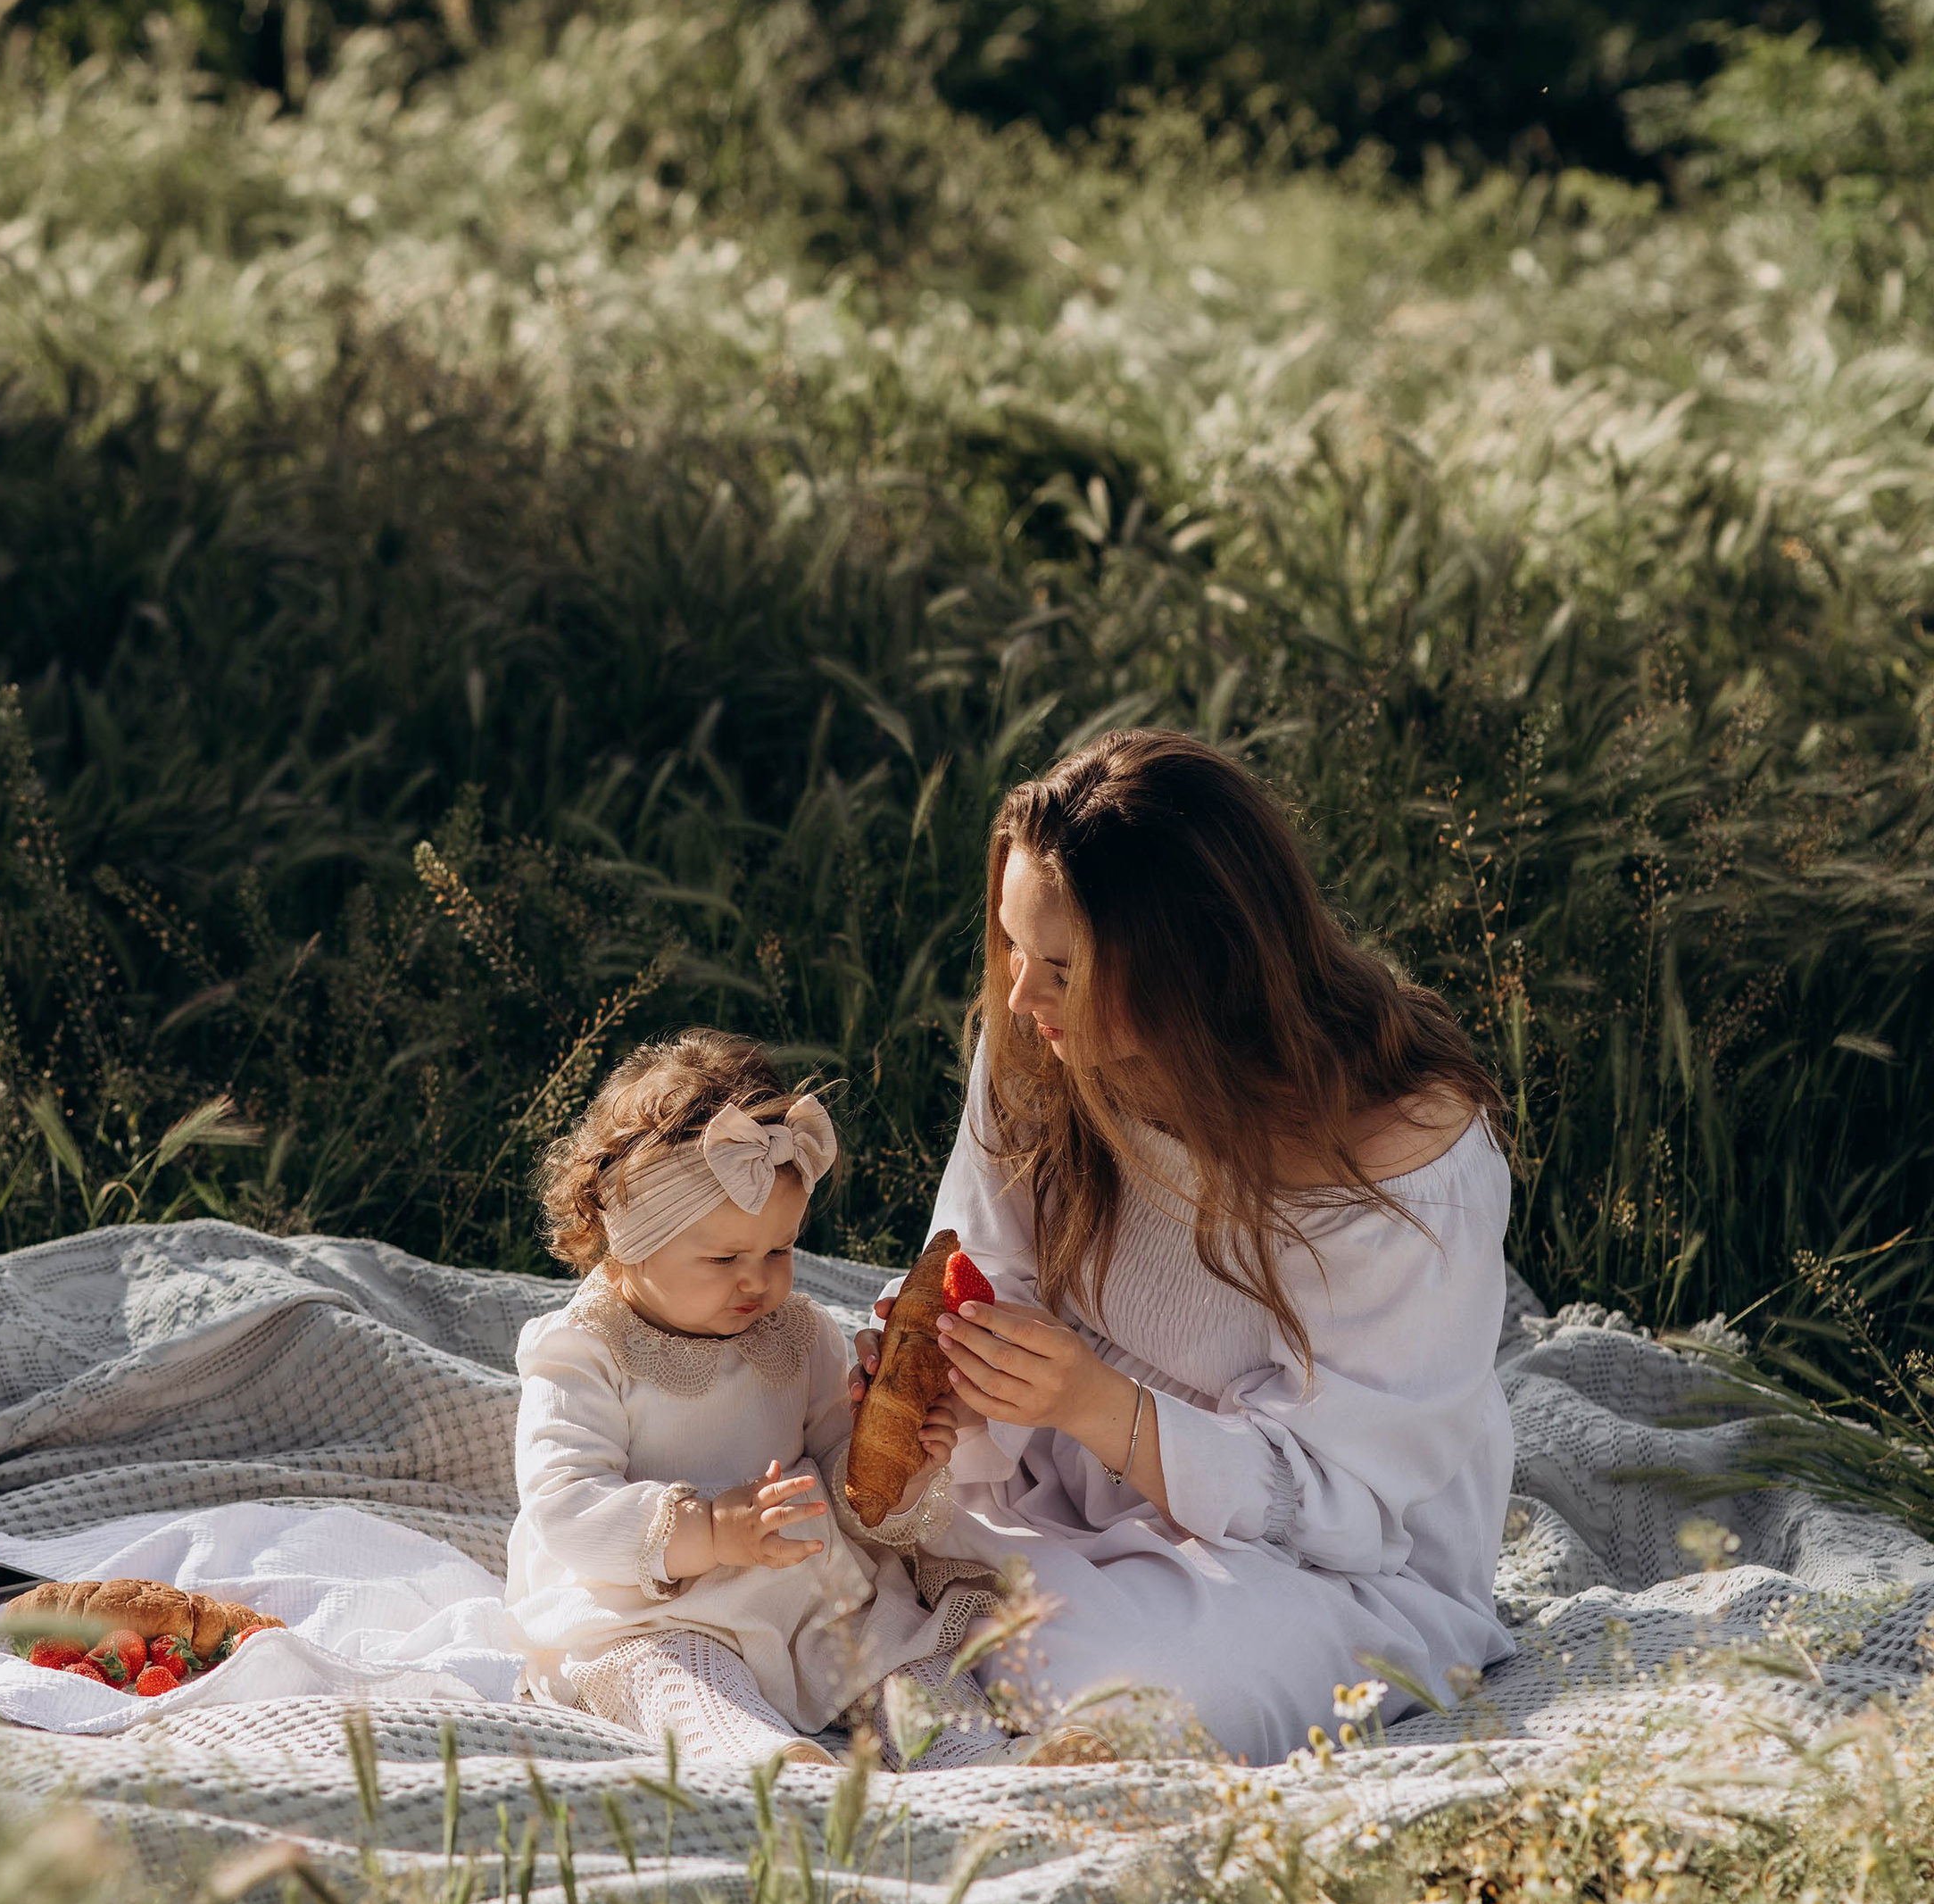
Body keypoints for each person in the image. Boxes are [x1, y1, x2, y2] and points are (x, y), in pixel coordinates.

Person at [858, 730, 1517, 1765]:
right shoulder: (1044, 1037)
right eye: (1012, 948)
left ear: (1189, 966)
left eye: (1062, 970)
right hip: (1052, 1475)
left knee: (1153, 1691)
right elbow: (992, 1264)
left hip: (1320, 1562)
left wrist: (1094, 1402)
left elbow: (1345, 1502)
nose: (1021, 1001)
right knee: (782, 1458)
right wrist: (946, 1375)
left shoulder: (1400, 1159)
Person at [508, 1032, 1004, 1772]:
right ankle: (776, 1766)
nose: (759, 1282)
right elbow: (565, 1505)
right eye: (723, 1259)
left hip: (803, 1593)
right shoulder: (583, 1349)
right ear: (629, 1242)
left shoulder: (798, 1335)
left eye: (779, 1249)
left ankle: (982, 1762)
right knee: (684, 1683)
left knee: (907, 1657)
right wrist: (708, 1529)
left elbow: (842, 1474)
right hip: (653, 1604)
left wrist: (898, 1475)